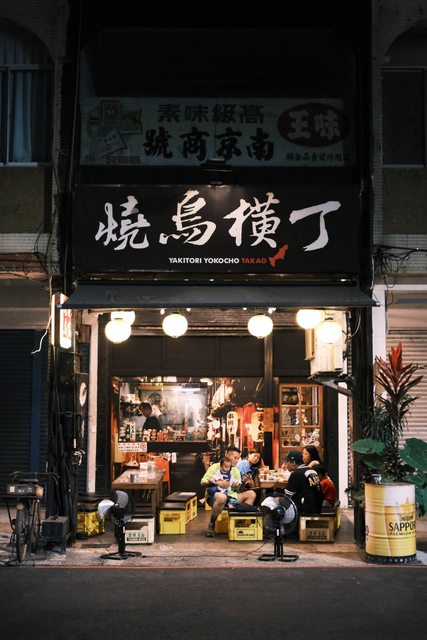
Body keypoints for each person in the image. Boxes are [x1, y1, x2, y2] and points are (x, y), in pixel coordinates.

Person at [201, 445, 257, 537]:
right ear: (227, 454)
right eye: (235, 458)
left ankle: (240, 523)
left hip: (231, 496)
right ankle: (212, 524)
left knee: (251, 494)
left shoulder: (235, 470)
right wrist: (218, 483)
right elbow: (203, 482)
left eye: (238, 458)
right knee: (222, 497)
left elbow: (237, 490)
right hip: (215, 497)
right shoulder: (215, 467)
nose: (237, 461)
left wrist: (243, 482)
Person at [284, 450, 323, 515]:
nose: (285, 465)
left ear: (293, 463)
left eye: (286, 462)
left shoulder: (296, 474)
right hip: (317, 508)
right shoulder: (312, 471)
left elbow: (287, 497)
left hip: (305, 510)